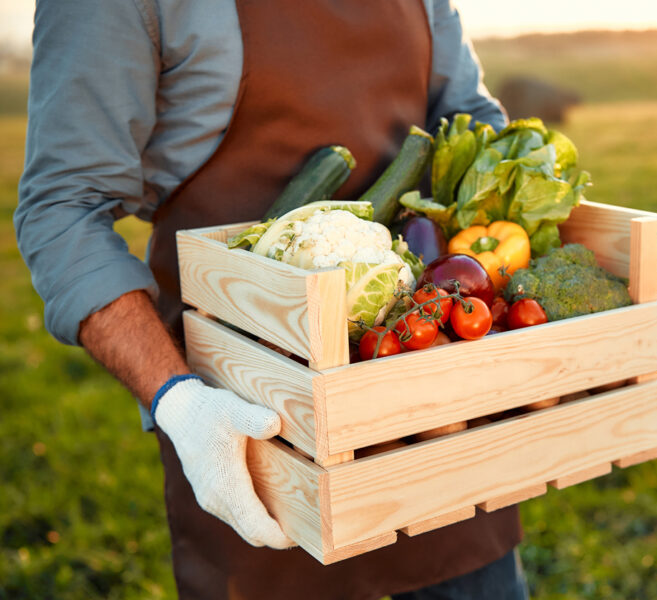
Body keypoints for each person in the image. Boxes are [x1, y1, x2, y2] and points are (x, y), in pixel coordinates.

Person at [15, 1, 529, 598]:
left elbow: (470, 120)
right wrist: (180, 404)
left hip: (434, 385)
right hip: (253, 418)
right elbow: (64, 209)